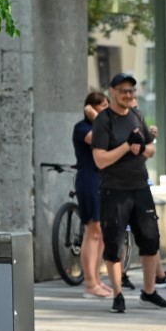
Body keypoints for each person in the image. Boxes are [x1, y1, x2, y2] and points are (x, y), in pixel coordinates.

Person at [92, 72, 166, 313]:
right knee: (114, 243)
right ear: (113, 92)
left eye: (131, 91)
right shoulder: (104, 121)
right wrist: (126, 147)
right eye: (123, 91)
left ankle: (149, 292)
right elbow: (100, 160)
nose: (128, 95)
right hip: (114, 190)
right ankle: (118, 295)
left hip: (140, 187)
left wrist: (141, 149)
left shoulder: (137, 116)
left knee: (150, 239)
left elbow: (149, 148)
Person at [73, 91, 111, 298]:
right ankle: (89, 283)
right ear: (90, 108)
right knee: (92, 229)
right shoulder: (82, 128)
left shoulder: (105, 126)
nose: (106, 109)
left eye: (107, 105)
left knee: (101, 232)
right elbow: (100, 141)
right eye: (102, 105)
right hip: (89, 180)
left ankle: (96, 278)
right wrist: (97, 119)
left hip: (104, 181)